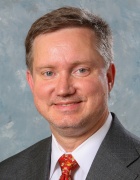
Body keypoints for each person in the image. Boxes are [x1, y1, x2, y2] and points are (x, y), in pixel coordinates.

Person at [0, 6, 140, 180]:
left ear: (109, 76)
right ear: (31, 82)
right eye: (49, 73)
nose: (63, 90)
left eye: (81, 70)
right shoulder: (7, 172)